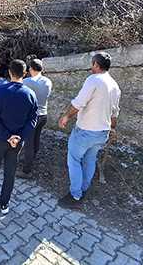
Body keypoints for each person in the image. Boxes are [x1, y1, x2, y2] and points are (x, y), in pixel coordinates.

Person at [57, 52, 121, 209]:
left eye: (92, 64)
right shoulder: (115, 85)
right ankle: (83, 190)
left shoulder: (93, 80)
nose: (91, 67)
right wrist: (112, 129)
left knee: (74, 160)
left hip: (86, 131)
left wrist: (66, 117)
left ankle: (75, 195)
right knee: (90, 160)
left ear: (96, 65)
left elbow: (79, 103)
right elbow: (115, 113)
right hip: (102, 133)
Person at [0, 60, 38, 222]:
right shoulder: (30, 94)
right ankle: (4, 204)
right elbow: (32, 120)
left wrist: (7, 136)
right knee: (10, 173)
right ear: (25, 73)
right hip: (17, 142)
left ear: (10, 72)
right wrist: (18, 137)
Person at [17, 58, 52, 179]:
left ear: (31, 69)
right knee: (36, 138)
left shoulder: (26, 81)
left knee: (28, 144)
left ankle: (26, 171)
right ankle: (33, 157)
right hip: (44, 115)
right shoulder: (48, 81)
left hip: (32, 117)